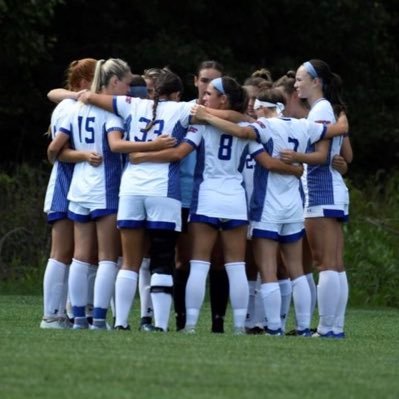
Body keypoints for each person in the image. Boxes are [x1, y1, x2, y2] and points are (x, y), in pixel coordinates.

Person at [191, 86, 348, 335]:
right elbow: (339, 130)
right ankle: (304, 326)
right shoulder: (302, 125)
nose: (255, 113)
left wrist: (207, 116)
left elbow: (241, 130)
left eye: (258, 108)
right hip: (294, 205)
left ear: (265, 108)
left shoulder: (264, 127)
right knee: (297, 271)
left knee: (268, 270)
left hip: (268, 207)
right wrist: (341, 112)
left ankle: (274, 326)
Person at [78, 70, 198, 331]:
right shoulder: (183, 109)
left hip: (130, 189)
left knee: (130, 262)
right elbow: (221, 116)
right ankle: (161, 324)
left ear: (153, 90)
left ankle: (120, 322)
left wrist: (78, 94)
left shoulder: (131, 103)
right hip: (163, 191)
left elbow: (89, 97)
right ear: (177, 93)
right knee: (162, 260)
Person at [288, 59, 352, 338]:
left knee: (324, 263)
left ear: (317, 82)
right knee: (335, 264)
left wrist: (293, 157)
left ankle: (326, 328)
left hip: (320, 190)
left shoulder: (321, 109)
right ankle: (334, 327)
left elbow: (322, 156)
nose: (296, 83)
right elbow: (345, 156)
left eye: (301, 79)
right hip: (332, 191)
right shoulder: (327, 109)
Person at [40, 58, 98, 329]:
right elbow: (56, 150)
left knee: (85, 251)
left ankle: (75, 311)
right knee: (62, 250)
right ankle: (51, 315)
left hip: (85, 182)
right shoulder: (69, 106)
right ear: (84, 83)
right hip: (66, 179)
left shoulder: (84, 104)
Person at [174, 59, 230, 333]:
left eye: (215, 82)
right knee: (184, 259)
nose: (208, 85)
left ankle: (218, 320)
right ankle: (180, 317)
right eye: (205, 80)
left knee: (218, 259)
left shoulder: (229, 116)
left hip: (215, 195)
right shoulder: (183, 111)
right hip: (184, 194)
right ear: (195, 81)